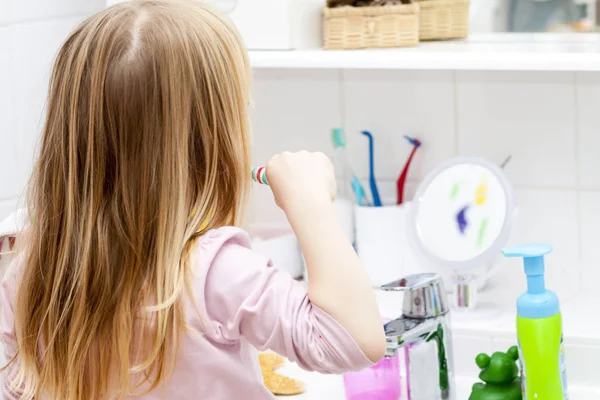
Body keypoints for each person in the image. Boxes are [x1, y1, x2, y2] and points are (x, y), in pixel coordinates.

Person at [0, 1, 386, 399]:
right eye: (244, 110)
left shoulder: (29, 273)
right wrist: (311, 205)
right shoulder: (213, 272)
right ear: (213, 139)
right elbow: (354, 341)